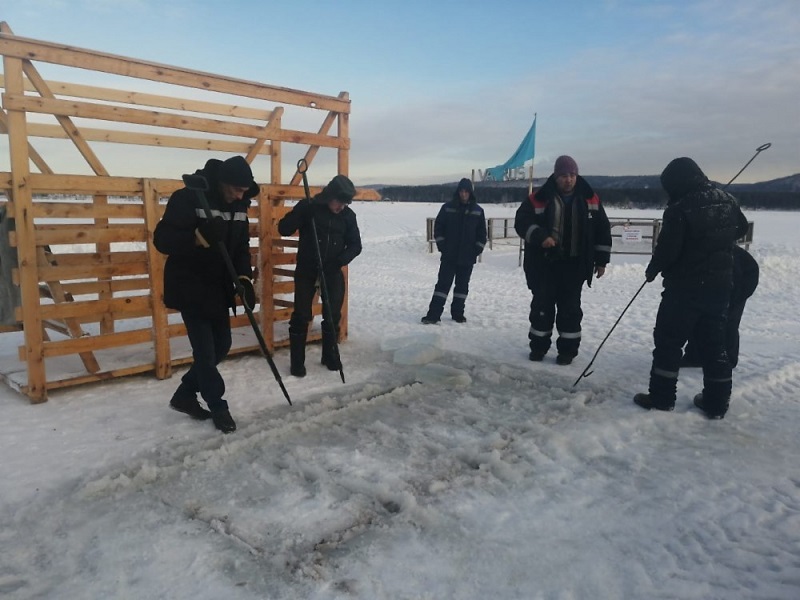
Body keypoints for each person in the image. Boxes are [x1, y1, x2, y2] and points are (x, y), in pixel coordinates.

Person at [634, 157, 749, 419]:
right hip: (720, 289)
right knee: (714, 345)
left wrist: (652, 270)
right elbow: (740, 227)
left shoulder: (680, 207)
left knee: (668, 342)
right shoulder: (726, 198)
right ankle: (716, 402)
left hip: (684, 290)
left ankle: (662, 398)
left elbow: (668, 249)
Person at [154, 155, 259, 434]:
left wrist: (245, 278)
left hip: (218, 287)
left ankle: (184, 394)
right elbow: (161, 240)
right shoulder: (188, 198)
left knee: (221, 345)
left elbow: (241, 248)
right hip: (190, 284)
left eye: (244, 191)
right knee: (205, 351)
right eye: (237, 190)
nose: (241, 195)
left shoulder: (239, 205)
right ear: (223, 183)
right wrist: (196, 238)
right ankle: (218, 405)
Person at [513, 156, 611, 365]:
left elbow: (602, 230)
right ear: (556, 177)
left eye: (572, 175)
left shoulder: (590, 199)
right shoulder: (538, 198)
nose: (569, 179)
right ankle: (538, 348)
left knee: (570, 311)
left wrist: (601, 261)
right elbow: (522, 222)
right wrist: (541, 237)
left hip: (575, 265)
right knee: (542, 308)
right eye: (564, 175)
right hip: (545, 265)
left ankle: (567, 351)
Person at [278, 175, 362, 377]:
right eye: (339, 201)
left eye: (346, 203)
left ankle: (330, 355)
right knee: (301, 316)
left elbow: (355, 245)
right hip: (307, 269)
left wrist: (339, 261)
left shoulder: (348, 216)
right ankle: (297, 362)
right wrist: (301, 213)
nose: (342, 206)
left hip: (332, 270)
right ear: (329, 196)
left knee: (333, 315)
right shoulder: (310, 208)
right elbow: (284, 229)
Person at [682, 244, 759, 369]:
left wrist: (735, 298)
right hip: (712, 284)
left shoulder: (729, 253)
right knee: (697, 319)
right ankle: (695, 357)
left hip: (739, 284)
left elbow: (749, 272)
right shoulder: (696, 251)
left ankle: (728, 360)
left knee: (728, 323)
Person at [421, 178, 487, 324]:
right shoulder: (447, 208)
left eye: (466, 191)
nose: (463, 194)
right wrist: (442, 246)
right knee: (442, 286)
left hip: (467, 257)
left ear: (470, 193)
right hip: (449, 256)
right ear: (458, 192)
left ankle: (458, 314)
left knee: (462, 288)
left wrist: (476, 250)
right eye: (461, 191)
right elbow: (438, 227)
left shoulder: (478, 211)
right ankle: (433, 315)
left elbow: (482, 234)